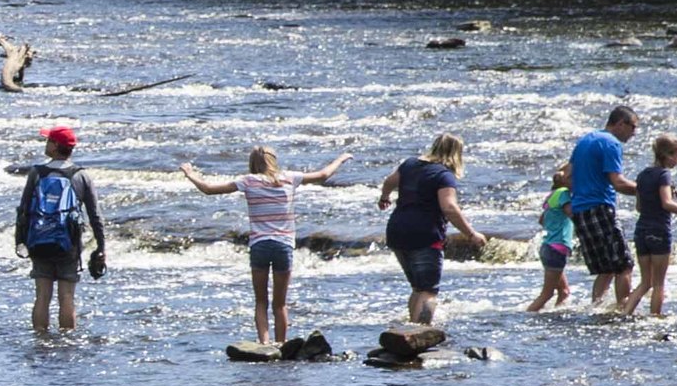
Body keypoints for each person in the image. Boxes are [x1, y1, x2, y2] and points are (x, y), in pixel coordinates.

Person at [179, 142, 349, 349]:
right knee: (280, 303)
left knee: (261, 301)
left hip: (259, 245)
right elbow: (323, 175)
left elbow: (208, 189)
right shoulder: (289, 178)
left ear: (253, 163)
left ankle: (264, 344)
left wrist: (190, 173)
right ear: (273, 161)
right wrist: (340, 159)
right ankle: (281, 344)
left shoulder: (248, 181)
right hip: (283, 245)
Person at [376, 135, 483, 326]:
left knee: (418, 287)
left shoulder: (409, 164)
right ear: (456, 154)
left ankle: (409, 332)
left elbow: (389, 181)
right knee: (428, 291)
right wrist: (471, 234)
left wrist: (385, 197)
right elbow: (449, 207)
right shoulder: (444, 175)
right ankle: (420, 332)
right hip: (424, 234)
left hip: (397, 230)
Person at [14, 123, 107, 338]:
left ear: (56, 146)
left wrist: (20, 241)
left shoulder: (37, 173)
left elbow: (24, 210)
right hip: (69, 243)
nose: (46, 143)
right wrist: (101, 247)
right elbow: (95, 216)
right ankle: (66, 341)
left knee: (42, 296)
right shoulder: (81, 175)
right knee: (67, 296)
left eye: (48, 140)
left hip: (38, 240)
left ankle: (40, 339)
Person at [563, 102, 639, 313]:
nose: (634, 133)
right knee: (624, 265)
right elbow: (618, 183)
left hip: (580, 210)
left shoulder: (585, 140)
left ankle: (596, 309)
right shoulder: (611, 143)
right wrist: (648, 189)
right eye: (633, 127)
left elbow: (566, 176)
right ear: (621, 123)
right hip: (600, 209)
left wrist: (584, 190)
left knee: (605, 269)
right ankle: (624, 310)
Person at [630, 133, 677, 317]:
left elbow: (639, 206)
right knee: (658, 283)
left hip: (641, 230)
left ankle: (625, 313)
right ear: (668, 155)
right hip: (659, 230)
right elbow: (666, 203)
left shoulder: (642, 175)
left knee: (645, 282)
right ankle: (655, 317)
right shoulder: (664, 175)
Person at [528, 173, 573, 316]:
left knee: (564, 291)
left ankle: (557, 316)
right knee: (547, 294)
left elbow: (542, 220)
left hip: (548, 246)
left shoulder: (552, 195)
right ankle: (526, 316)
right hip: (557, 248)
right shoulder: (564, 193)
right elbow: (572, 213)